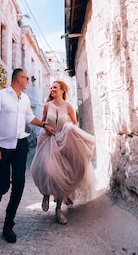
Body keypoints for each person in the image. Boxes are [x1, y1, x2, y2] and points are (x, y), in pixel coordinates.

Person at [0, 68, 49, 243]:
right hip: (2, 147)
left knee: (19, 183)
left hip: (20, 144)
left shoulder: (26, 99)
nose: (29, 81)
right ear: (18, 78)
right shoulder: (1, 96)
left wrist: (44, 125)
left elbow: (30, 117)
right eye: (27, 78)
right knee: (4, 184)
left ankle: (8, 226)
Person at [30, 80, 97, 225]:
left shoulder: (68, 106)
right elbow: (43, 122)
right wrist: (46, 128)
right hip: (48, 141)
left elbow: (74, 123)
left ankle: (58, 209)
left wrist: (67, 133)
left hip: (62, 141)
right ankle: (46, 193)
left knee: (61, 174)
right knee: (48, 171)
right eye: (51, 87)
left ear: (62, 90)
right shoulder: (47, 105)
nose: (52, 89)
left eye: (55, 87)